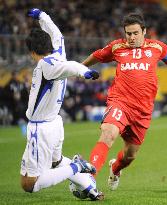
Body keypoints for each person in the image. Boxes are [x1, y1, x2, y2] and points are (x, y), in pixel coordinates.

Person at [82, 12, 167, 191]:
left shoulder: (157, 48)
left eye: (135, 33)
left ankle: (115, 169)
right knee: (108, 133)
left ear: (144, 32)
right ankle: (89, 179)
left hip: (142, 111)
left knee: (129, 156)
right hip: (120, 102)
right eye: (128, 33)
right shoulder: (117, 47)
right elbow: (97, 55)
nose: (131, 38)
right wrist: (79, 69)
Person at [20, 8, 104, 200]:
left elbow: (70, 66)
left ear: (32, 52)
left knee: (29, 185)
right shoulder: (59, 52)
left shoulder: (45, 65)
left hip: (41, 128)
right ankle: (90, 188)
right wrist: (42, 16)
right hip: (55, 123)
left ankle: (77, 166)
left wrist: (83, 71)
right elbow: (57, 34)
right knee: (56, 162)